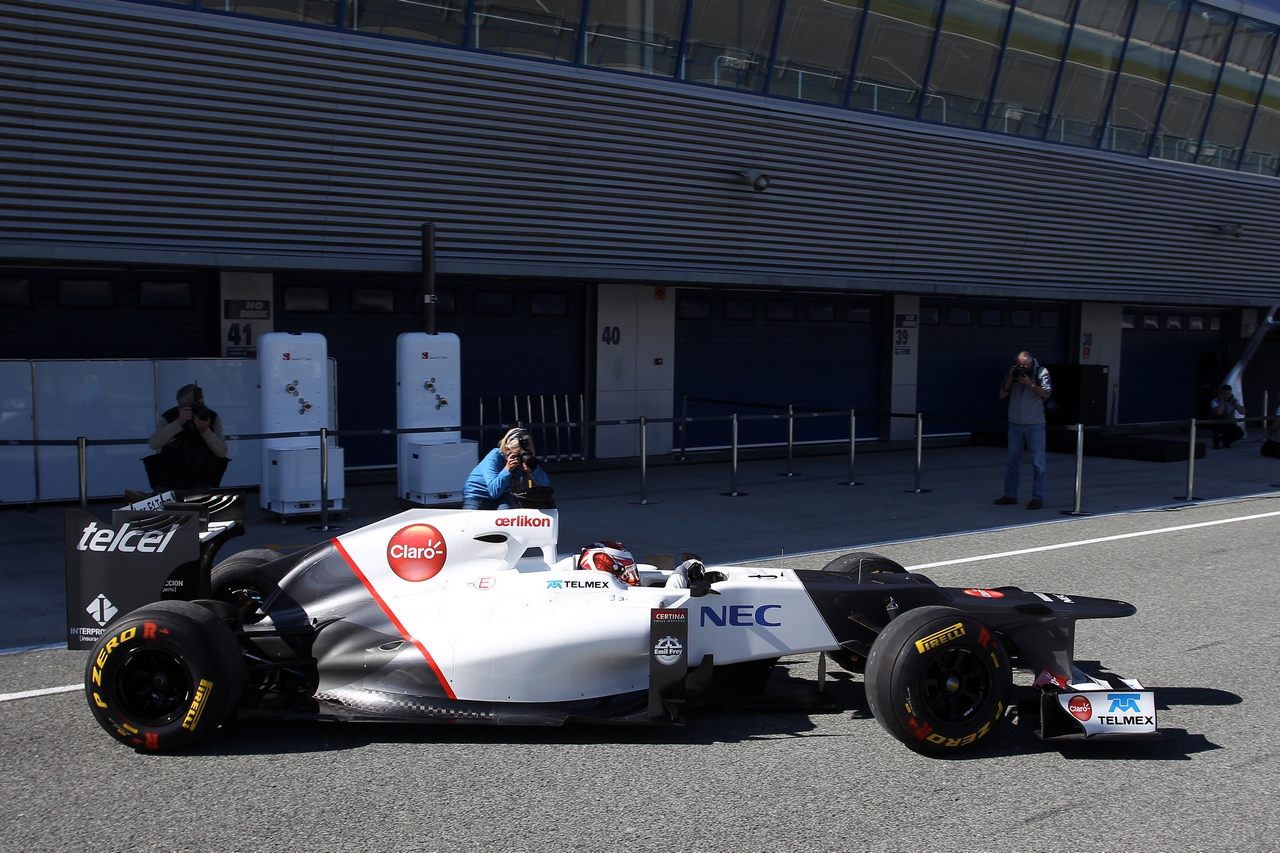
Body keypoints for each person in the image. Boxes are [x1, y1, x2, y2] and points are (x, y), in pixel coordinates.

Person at [994, 351, 1052, 510]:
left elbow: (1046, 393)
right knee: (1012, 461)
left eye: (1023, 366)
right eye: (1018, 366)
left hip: (1035, 423)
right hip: (1015, 423)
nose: (1021, 369)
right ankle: (1010, 494)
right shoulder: (1014, 372)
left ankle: (1037, 497)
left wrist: (1030, 384)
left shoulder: (1041, 372)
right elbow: (1002, 394)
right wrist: (1012, 377)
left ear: (1030, 363)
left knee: (1038, 463)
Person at [145, 384, 229, 490]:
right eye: (193, 406)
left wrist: (205, 430)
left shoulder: (211, 417)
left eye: (201, 404)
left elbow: (222, 452)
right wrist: (178, 423)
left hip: (200, 480)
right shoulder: (170, 416)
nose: (199, 408)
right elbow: (154, 444)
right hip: (168, 479)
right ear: (181, 407)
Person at [462, 427, 550, 510]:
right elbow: (494, 492)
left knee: (510, 518)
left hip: (504, 494)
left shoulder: (526, 457)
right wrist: (507, 470)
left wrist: (533, 470)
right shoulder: (494, 457)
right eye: (518, 454)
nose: (521, 457)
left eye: (526, 453)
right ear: (507, 449)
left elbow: (545, 484)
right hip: (477, 495)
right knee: (469, 521)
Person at [1210, 383, 1246, 449]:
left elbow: (1243, 412)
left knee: (1240, 433)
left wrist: (1234, 402)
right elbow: (1219, 413)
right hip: (1219, 424)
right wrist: (1222, 401)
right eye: (1225, 393)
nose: (1227, 396)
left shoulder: (1235, 401)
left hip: (1230, 423)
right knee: (1216, 425)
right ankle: (1216, 442)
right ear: (1221, 393)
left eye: (1229, 393)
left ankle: (1225, 441)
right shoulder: (1214, 401)